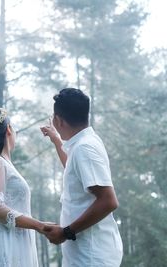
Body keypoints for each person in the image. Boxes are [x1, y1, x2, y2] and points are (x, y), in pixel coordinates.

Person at [40, 88, 123, 266]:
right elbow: (74, 169)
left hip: (92, 255)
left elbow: (109, 201)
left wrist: (66, 232)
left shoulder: (85, 148)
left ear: (58, 120)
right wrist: (56, 140)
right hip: (86, 253)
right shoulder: (83, 145)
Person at [0, 108, 43, 267]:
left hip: (15, 240)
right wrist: (39, 225)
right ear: (9, 129)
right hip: (5, 242)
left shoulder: (2, 163)